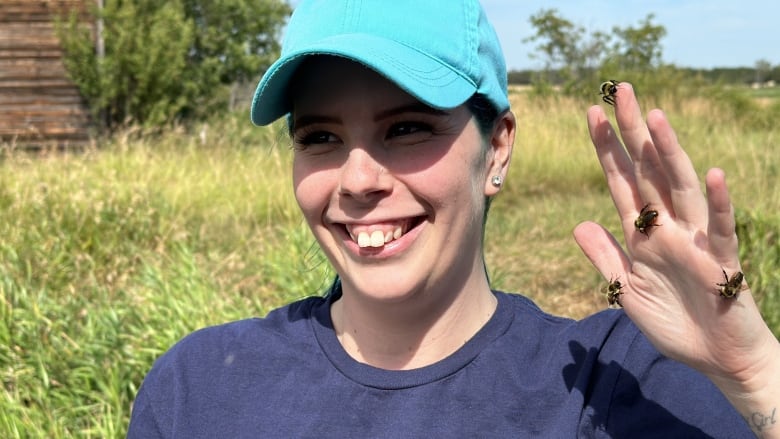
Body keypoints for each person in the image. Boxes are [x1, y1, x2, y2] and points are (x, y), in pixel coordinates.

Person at [127, 0, 780, 437]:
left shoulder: (615, 382)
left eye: (407, 128)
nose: (357, 180)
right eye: (320, 137)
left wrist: (755, 377)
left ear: (496, 146)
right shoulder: (201, 387)